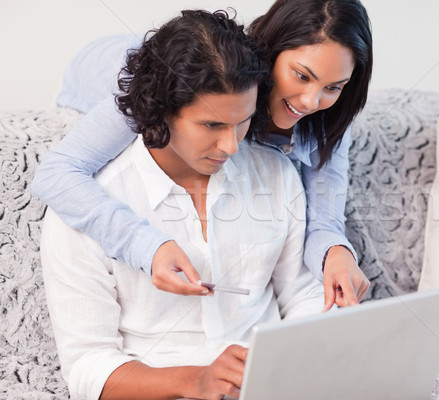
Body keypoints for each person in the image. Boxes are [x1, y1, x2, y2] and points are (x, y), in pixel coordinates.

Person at [41, 9, 324, 400]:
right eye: (211, 126)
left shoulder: (276, 173)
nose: (232, 146)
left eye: (242, 122)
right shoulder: (83, 208)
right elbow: (88, 367)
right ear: (160, 112)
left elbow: (301, 294)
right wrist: (196, 381)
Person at [33, 0, 373, 311]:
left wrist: (336, 253)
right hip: (99, 62)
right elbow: (57, 174)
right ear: (272, 52)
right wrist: (147, 246)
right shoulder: (163, 85)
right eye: (301, 76)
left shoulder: (327, 125)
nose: (311, 102)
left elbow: (325, 219)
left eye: (334, 87)